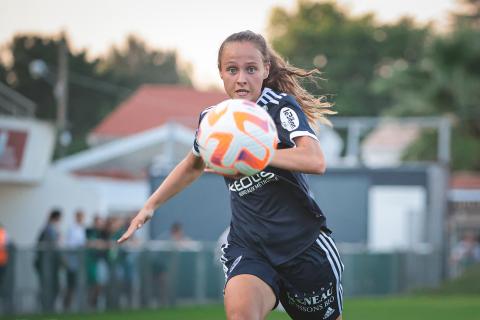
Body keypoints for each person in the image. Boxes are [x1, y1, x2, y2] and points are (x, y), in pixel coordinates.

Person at [119, 30, 343, 320]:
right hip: (249, 247)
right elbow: (192, 164)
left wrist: (254, 154)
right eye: (232, 69)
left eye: (251, 69)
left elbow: (315, 160)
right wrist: (150, 205)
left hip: (303, 248)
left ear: (265, 69)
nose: (241, 78)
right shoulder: (214, 120)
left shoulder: (280, 107)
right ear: (221, 73)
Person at [34, 209, 63, 312]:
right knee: (46, 286)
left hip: (52, 264)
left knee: (55, 286)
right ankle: (45, 308)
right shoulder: (47, 229)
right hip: (46, 264)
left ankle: (50, 307)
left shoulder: (53, 228)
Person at [64, 210, 87, 310]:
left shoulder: (82, 228)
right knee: (71, 283)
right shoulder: (72, 228)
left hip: (80, 258)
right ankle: (67, 305)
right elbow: (71, 244)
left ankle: (76, 305)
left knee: (79, 282)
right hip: (72, 258)